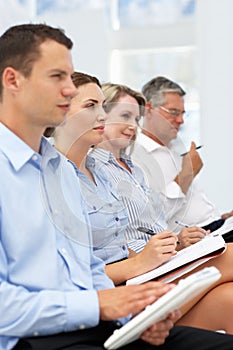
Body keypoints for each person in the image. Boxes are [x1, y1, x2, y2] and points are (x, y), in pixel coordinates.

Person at [3, 23, 233, 350]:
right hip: (36, 338)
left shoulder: (59, 171)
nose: (69, 90)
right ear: (13, 80)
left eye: (70, 79)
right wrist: (104, 304)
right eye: (57, 77)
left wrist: (132, 316)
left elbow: (89, 269)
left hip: (99, 322)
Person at [87, 82, 233, 333]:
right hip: (138, 274)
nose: (133, 125)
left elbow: (151, 226)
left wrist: (177, 241)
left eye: (135, 118)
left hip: (162, 260)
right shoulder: (91, 170)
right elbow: (118, 243)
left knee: (230, 300)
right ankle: (141, 326)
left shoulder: (131, 168)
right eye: (124, 116)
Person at [52, 72, 178, 286]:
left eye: (102, 106)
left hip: (131, 275)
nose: (102, 116)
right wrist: (140, 263)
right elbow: (68, 275)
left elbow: (119, 245)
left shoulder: (99, 173)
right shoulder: (53, 176)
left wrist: (154, 258)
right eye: (91, 106)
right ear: (59, 111)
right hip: (110, 286)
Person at [131, 76, 233, 242]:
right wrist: (187, 174)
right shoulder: (136, 157)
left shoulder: (174, 150)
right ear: (148, 109)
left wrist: (222, 217)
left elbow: (191, 206)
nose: (181, 120)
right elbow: (153, 217)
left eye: (182, 113)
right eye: (173, 113)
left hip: (216, 227)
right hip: (194, 239)